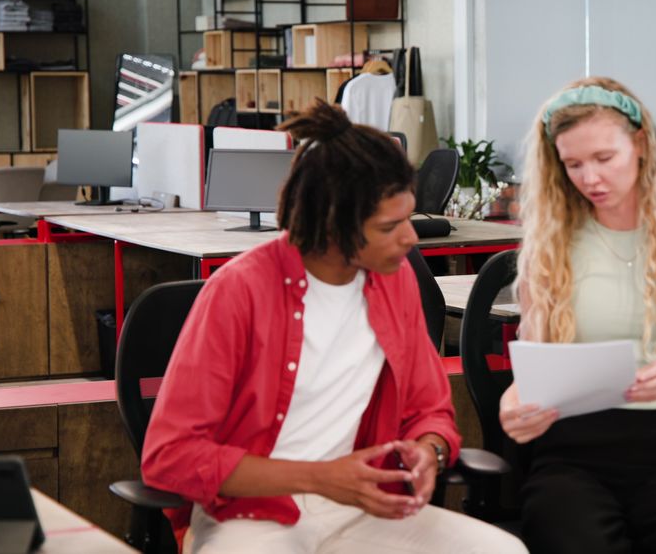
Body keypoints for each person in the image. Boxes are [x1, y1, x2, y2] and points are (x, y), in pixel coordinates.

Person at [141, 100, 526, 554]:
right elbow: (171, 457)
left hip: (363, 509)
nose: (411, 238)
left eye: (409, 216)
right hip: (252, 514)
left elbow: (431, 410)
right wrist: (321, 479)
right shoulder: (238, 292)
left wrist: (430, 451)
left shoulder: (395, 279)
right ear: (332, 227)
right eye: (390, 226)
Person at [499, 77, 656, 554]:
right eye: (573, 165)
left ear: (641, 144)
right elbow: (532, 376)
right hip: (570, 452)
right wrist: (512, 407)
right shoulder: (553, 244)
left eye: (605, 159)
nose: (590, 179)